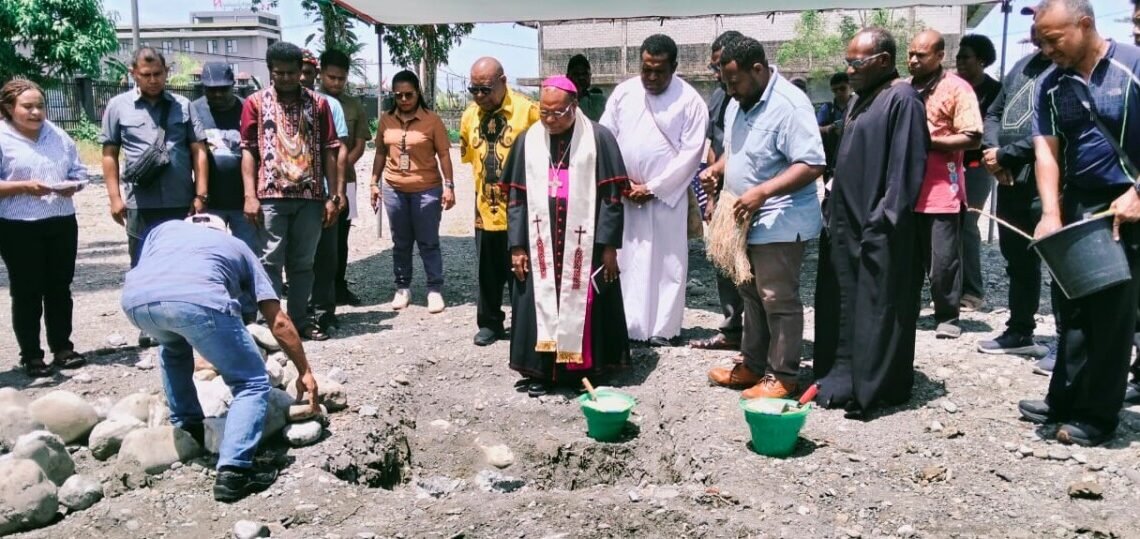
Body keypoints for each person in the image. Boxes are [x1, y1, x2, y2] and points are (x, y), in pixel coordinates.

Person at [121, 216, 319, 503]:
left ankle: (189, 428)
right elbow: (278, 321)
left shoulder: (162, 229)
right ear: (221, 231)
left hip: (136, 302)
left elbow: (154, 271)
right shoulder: (236, 245)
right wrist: (305, 371)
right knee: (251, 381)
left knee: (172, 346)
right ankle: (234, 473)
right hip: (198, 301)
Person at [1018, 0, 1140, 447]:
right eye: (1041, 42)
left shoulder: (1131, 65)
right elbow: (1046, 150)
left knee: (1111, 312)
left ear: (1085, 24)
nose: (1047, 49)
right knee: (1071, 306)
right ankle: (1064, 396)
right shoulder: (1052, 84)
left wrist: (1138, 193)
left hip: (1128, 202)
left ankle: (1098, 414)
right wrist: (1051, 213)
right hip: (1079, 203)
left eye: (1054, 39)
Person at [814, 28, 929, 416]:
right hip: (846, 223)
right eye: (847, 62)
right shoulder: (860, 100)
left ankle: (873, 386)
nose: (849, 70)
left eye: (856, 62)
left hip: (879, 228)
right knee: (844, 302)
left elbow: (905, 169)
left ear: (883, 60)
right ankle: (842, 372)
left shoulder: (903, 99)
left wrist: (883, 220)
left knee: (877, 305)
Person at [703, 38, 826, 399]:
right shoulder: (738, 102)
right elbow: (735, 152)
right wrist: (718, 169)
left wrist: (763, 192)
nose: (730, 90)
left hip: (780, 219)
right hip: (744, 218)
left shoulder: (790, 105)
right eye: (725, 83)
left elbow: (813, 163)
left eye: (734, 82)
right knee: (750, 292)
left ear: (757, 69)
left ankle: (783, 375)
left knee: (777, 297)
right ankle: (753, 365)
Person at [501, 76, 631, 396]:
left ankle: (583, 371)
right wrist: (517, 246)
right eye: (543, 112)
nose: (549, 119)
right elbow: (516, 200)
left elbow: (612, 197)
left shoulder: (598, 139)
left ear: (574, 107)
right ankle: (542, 372)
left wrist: (609, 247)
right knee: (539, 303)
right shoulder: (527, 142)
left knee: (586, 304)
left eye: (557, 113)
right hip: (539, 242)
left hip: (584, 246)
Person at [600, 34, 708, 347]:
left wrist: (653, 188)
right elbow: (606, 137)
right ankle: (630, 325)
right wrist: (620, 181)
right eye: (646, 69)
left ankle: (664, 328)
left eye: (659, 70)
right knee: (627, 258)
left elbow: (692, 154)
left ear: (674, 66)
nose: (651, 77)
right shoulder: (624, 92)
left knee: (667, 262)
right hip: (625, 192)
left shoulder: (690, 101)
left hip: (665, 197)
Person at [101, 47, 208, 347]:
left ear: (166, 72)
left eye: (158, 74)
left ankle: (182, 321)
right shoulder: (118, 107)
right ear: (134, 73)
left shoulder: (183, 106)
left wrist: (201, 193)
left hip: (180, 200)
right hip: (141, 202)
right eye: (145, 75)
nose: (152, 80)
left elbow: (199, 150)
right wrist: (114, 198)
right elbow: (110, 153)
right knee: (142, 264)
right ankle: (148, 324)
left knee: (183, 262)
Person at [240, 42, 342, 341]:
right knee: (269, 261)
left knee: (303, 264)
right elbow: (248, 151)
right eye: (278, 73)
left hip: (310, 197)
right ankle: (270, 325)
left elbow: (330, 150)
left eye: (290, 73)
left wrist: (334, 196)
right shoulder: (255, 103)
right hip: (270, 197)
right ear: (270, 71)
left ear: (302, 72)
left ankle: (299, 321)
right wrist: (249, 195)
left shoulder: (319, 104)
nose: (284, 78)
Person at [976, 20, 1056, 359]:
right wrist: (994, 155)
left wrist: (1005, 154)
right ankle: (1020, 331)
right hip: (1011, 181)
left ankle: (1067, 343)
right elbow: (994, 112)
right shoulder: (1022, 66)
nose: (1036, 29)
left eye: (1044, 22)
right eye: (1034, 23)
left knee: (1059, 263)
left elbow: (1055, 129)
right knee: (1017, 261)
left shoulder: (1065, 68)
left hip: (1049, 184)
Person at [0, 78, 87, 377]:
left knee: (59, 287)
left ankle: (63, 348)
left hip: (61, 220)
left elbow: (80, 171)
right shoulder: (2, 138)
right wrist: (22, 186)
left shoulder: (59, 136)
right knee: (27, 290)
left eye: (40, 106)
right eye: (28, 106)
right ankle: (32, 355)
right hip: (18, 226)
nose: (36, 112)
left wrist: (73, 185)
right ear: (9, 108)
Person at [907, 29, 983, 340]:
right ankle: (905, 310)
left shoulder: (957, 89)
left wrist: (927, 142)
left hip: (941, 191)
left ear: (939, 56)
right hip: (905, 191)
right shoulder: (903, 89)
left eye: (920, 55)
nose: (912, 60)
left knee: (943, 261)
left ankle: (948, 315)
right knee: (907, 259)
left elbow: (973, 136)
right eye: (910, 54)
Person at [459, 57, 541, 346]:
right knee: (487, 272)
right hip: (484, 208)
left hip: (522, 210)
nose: (480, 97)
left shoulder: (529, 112)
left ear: (503, 82)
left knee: (523, 271)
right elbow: (470, 157)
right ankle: (490, 323)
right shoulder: (469, 116)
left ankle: (525, 325)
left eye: (486, 89)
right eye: (474, 90)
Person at [370, 70, 455, 313]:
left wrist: (449, 185)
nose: (405, 100)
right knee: (401, 241)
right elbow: (379, 153)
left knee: (428, 241)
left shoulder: (432, 121)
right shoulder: (386, 119)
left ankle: (434, 289)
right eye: (399, 96)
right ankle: (402, 287)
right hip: (394, 189)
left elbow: (444, 155)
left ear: (418, 93)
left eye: (409, 94)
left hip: (426, 189)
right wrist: (373, 183)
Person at [690, 29, 745, 352]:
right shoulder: (718, 96)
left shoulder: (751, 94)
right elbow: (714, 145)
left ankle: (757, 337)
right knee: (724, 262)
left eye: (721, 65)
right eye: (714, 68)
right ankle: (732, 329)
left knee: (751, 269)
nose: (719, 73)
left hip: (750, 194)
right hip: (722, 192)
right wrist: (709, 196)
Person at [299, 49, 350, 335]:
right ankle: (300, 311)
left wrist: (337, 192)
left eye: (308, 72)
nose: (303, 77)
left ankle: (323, 311)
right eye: (299, 71)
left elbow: (339, 150)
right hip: (289, 194)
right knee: (298, 258)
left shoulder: (329, 105)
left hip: (322, 191)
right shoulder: (274, 103)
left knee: (326, 256)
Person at [319, 49, 372, 308]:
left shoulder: (354, 105)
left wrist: (339, 168)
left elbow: (360, 144)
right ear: (321, 73)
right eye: (331, 77)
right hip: (313, 183)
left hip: (347, 182)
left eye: (341, 78)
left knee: (342, 238)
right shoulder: (309, 101)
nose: (336, 83)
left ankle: (339, 287)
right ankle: (318, 292)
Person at [956, 34, 1003, 312]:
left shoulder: (996, 90)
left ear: (981, 61)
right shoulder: (953, 87)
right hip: (946, 166)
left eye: (966, 57)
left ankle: (972, 291)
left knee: (966, 226)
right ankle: (948, 286)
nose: (960, 62)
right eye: (959, 57)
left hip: (975, 168)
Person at [192, 63, 259, 251]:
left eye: (223, 89)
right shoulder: (194, 111)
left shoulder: (248, 109)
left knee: (248, 254)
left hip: (244, 202)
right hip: (211, 202)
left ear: (233, 85)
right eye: (212, 90)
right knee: (212, 254)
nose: (218, 95)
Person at [812, 72, 853, 369]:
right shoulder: (828, 108)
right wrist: (833, 128)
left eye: (843, 88)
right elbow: (820, 130)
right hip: (830, 167)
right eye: (835, 88)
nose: (839, 92)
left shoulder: (856, 104)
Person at [566, 54, 606, 122]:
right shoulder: (561, 102)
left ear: (590, 76)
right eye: (576, 74)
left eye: (585, 74)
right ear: (568, 77)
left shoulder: (600, 101)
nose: (581, 78)